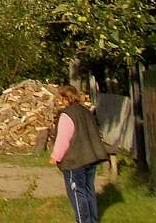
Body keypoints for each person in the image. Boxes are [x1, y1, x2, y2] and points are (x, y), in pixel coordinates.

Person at [49, 84, 109, 223]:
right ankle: (93, 220)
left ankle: (83, 221)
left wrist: (55, 156)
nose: (59, 101)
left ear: (65, 98)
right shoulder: (86, 111)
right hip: (91, 157)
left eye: (60, 97)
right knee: (89, 191)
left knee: (77, 193)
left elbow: (64, 138)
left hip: (75, 161)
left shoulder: (67, 115)